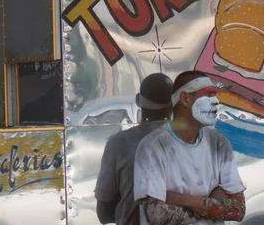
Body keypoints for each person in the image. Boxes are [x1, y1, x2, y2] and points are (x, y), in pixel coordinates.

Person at [133, 70, 246, 225]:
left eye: (215, 95)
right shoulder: (153, 147)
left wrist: (182, 199)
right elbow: (156, 214)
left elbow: (238, 209)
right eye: (208, 95)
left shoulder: (219, 144)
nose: (216, 102)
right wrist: (212, 204)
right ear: (185, 98)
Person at [95, 73, 174, 225]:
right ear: (172, 105)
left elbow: (104, 214)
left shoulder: (119, 144)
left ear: (138, 100)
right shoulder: (191, 141)